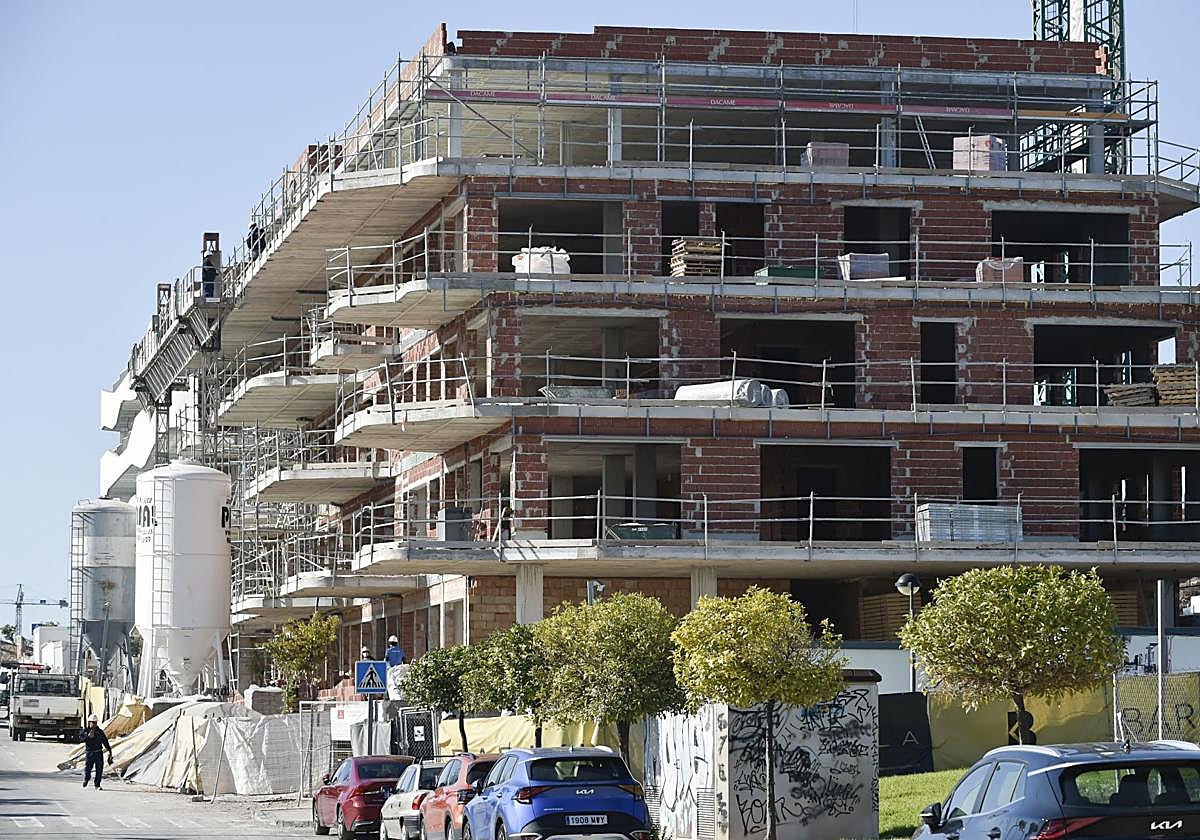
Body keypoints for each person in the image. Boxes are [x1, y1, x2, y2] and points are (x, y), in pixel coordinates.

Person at [81, 715, 113, 790]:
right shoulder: (85, 731)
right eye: (92, 722)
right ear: (89, 723)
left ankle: (97, 784)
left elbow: (105, 741)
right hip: (90, 753)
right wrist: (88, 737)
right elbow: (80, 739)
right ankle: (87, 779)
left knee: (99, 769)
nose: (94, 724)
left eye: (95, 722)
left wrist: (110, 751)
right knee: (88, 768)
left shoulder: (100, 732)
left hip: (98, 753)